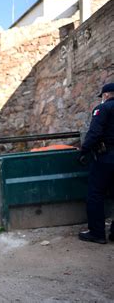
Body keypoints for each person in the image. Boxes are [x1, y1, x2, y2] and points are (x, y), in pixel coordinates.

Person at [78, 82, 114, 244]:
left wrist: (83, 150)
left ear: (106, 95)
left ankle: (97, 233)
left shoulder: (103, 109)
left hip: (107, 157)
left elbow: (95, 133)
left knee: (95, 194)